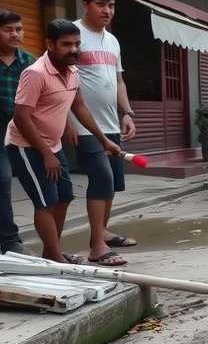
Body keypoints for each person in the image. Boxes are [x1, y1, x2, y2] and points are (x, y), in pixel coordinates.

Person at [5, 19, 121, 264]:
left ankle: (52, 252)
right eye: (66, 44)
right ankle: (55, 257)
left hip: (53, 145)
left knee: (65, 196)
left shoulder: (73, 71)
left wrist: (103, 140)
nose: (74, 49)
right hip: (25, 146)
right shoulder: (35, 73)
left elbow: (79, 107)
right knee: (45, 201)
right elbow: (21, 117)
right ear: (50, 44)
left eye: (77, 44)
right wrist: (46, 154)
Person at [65, 0, 137, 266]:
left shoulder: (112, 40)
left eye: (111, 5)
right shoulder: (72, 34)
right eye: (100, 5)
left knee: (113, 183)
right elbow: (61, 78)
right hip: (83, 124)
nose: (107, 11)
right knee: (102, 179)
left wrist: (128, 112)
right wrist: (67, 119)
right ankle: (96, 246)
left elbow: (118, 80)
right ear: (85, 4)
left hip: (110, 124)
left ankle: (103, 232)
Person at [0, 10, 36, 255]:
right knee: (3, 180)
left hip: (21, 128)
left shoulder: (29, 62)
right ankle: (10, 240)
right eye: (8, 29)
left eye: (19, 29)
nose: (15, 34)